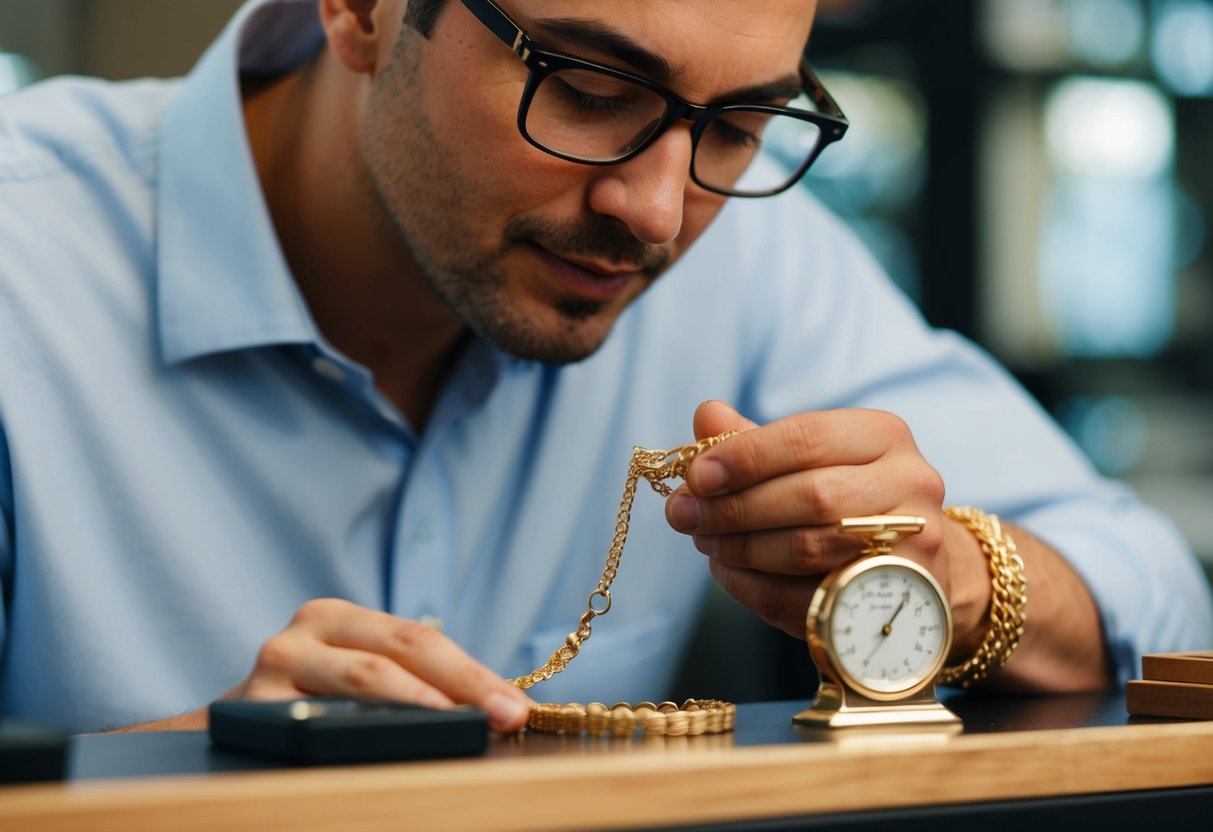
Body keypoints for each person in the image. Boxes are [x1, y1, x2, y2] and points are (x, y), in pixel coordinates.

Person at [0, 0, 1209, 736]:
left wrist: (966, 581)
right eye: (583, 90)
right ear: (362, 7)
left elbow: (1159, 594)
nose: (656, 210)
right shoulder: (27, 271)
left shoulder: (757, 250)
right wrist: (183, 769)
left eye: (738, 125)